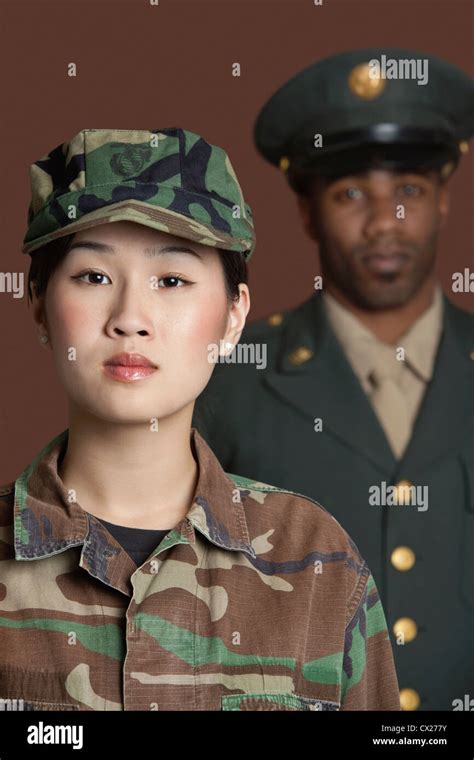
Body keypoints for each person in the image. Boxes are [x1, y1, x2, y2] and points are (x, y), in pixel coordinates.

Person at [0, 128, 400, 711]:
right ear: (39, 303)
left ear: (234, 316)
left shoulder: (318, 561)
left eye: (172, 281)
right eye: (93, 277)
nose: (131, 318)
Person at [193, 49, 474, 711]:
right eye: (351, 195)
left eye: (408, 190)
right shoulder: (226, 378)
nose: (384, 223)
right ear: (308, 214)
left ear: (444, 202)